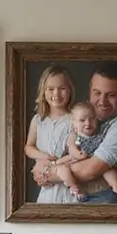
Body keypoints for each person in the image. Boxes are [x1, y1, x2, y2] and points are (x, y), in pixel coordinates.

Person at [31, 62, 117, 204]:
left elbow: (90, 169)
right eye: (97, 93)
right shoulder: (81, 115)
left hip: (100, 199)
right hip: (72, 197)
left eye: (111, 95)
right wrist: (47, 162)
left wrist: (45, 172)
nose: (102, 101)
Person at [53, 102, 117, 202]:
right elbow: (71, 147)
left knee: (109, 169)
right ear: (74, 123)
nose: (88, 123)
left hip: (93, 160)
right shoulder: (74, 135)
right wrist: (78, 154)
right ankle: (74, 186)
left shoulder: (98, 134)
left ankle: (116, 186)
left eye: (92, 119)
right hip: (74, 159)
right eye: (82, 120)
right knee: (62, 170)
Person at [24, 64, 76, 204]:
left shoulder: (75, 119)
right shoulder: (38, 120)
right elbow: (28, 147)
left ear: (70, 90)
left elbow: (77, 153)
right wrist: (44, 157)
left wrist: (55, 165)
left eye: (62, 88)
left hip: (68, 186)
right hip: (46, 191)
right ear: (43, 91)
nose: (56, 94)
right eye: (51, 89)